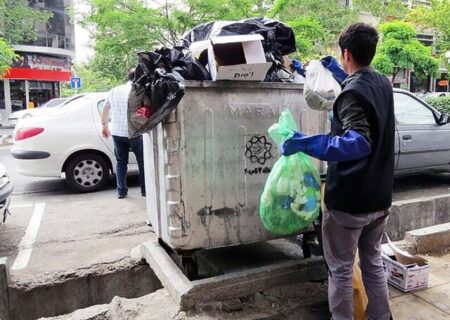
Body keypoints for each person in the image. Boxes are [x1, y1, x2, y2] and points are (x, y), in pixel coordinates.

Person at [281, 23, 394, 320]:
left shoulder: (351, 95)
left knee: (342, 269)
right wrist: (333, 73)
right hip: (379, 199)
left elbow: (358, 142)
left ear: (346, 52)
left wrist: (305, 143)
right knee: (372, 262)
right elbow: (360, 95)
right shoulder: (383, 83)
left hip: (350, 202)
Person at [101, 69, 146, 199]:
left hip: (117, 132)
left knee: (121, 162)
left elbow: (105, 108)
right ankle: (144, 190)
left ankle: (121, 191)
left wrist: (104, 126)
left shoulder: (114, 90)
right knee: (142, 162)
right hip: (135, 132)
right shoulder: (139, 90)